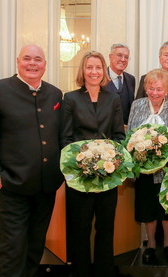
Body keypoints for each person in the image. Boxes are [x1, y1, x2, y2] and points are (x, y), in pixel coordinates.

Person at [0, 44, 64, 277]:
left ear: (45, 64)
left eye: (38, 59)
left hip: (46, 188)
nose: (32, 64)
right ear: (17, 61)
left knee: (35, 247)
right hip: (12, 186)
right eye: (27, 59)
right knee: (13, 249)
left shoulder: (54, 94)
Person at [60, 51, 125, 276]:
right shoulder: (70, 99)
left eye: (98, 67)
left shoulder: (113, 99)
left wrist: (109, 158)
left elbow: (118, 136)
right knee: (80, 230)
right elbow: (66, 139)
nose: (94, 72)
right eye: (90, 67)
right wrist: (82, 162)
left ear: (104, 71)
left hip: (108, 176)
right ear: (83, 71)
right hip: (80, 177)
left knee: (105, 230)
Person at [128, 68, 168, 264]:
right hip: (143, 170)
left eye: (159, 89)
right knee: (148, 208)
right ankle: (151, 244)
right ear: (145, 88)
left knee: (167, 208)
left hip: (167, 169)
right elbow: (130, 137)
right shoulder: (136, 106)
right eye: (151, 88)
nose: (154, 92)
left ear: (167, 90)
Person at [105, 43, 135, 125]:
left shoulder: (131, 79)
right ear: (110, 57)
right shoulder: (101, 78)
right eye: (119, 55)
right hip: (104, 131)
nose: (123, 59)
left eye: (126, 57)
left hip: (125, 132)